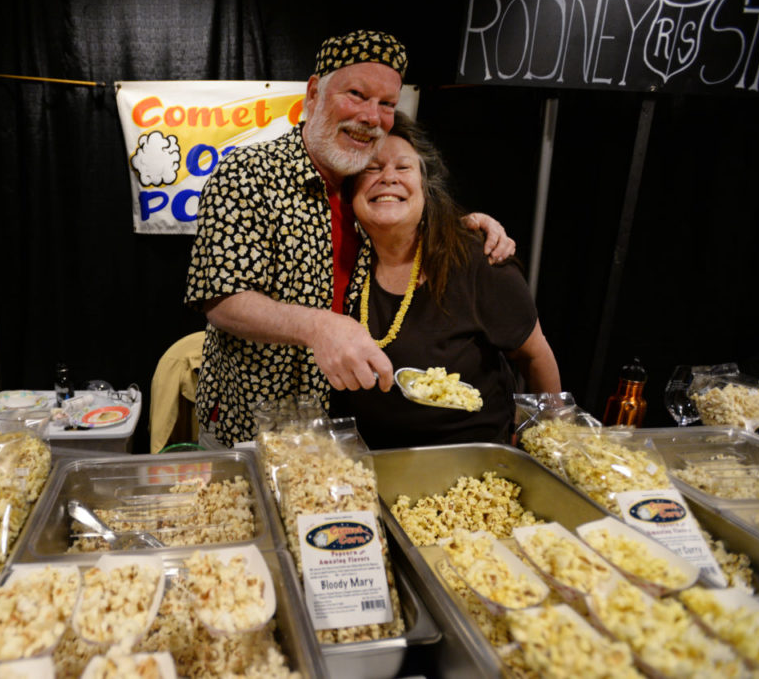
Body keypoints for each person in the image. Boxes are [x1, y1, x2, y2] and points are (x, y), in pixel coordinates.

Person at [185, 30, 515, 447]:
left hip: (345, 433)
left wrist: (467, 224)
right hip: (251, 426)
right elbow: (221, 300)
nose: (371, 117)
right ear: (313, 93)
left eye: (387, 105)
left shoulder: (366, 182)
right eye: (356, 94)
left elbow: (412, 214)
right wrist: (317, 326)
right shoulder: (248, 173)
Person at [331, 112, 560, 448]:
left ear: (426, 189)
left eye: (403, 167)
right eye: (372, 168)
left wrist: (548, 441)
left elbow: (535, 356)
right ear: (351, 192)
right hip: (368, 463)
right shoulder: (338, 261)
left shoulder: (478, 260)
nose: (388, 178)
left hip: (470, 468)